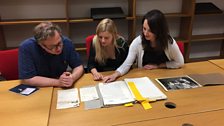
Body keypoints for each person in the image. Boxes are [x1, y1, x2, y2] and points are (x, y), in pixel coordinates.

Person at [103, 9, 184, 83]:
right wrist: (115, 75)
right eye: (144, 28)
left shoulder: (169, 42)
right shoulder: (138, 42)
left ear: (159, 30)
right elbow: (127, 64)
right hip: (145, 79)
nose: (145, 33)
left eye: (150, 30)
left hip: (165, 77)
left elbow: (180, 62)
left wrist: (158, 66)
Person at [19, 22, 84, 87]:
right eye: (52, 46)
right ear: (41, 45)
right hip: (40, 87)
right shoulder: (27, 47)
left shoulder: (66, 42)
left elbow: (78, 66)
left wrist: (72, 78)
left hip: (59, 86)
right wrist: (58, 82)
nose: (58, 49)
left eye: (59, 43)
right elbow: (27, 79)